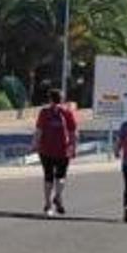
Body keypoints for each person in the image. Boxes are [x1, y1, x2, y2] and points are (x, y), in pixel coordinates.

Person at [33, 88, 79, 217]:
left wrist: (35, 144)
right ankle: (58, 197)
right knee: (61, 176)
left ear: (50, 99)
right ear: (62, 99)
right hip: (63, 150)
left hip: (45, 149)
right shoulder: (67, 113)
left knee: (48, 176)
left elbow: (39, 130)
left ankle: (48, 204)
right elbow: (73, 133)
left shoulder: (44, 112)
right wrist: (73, 148)